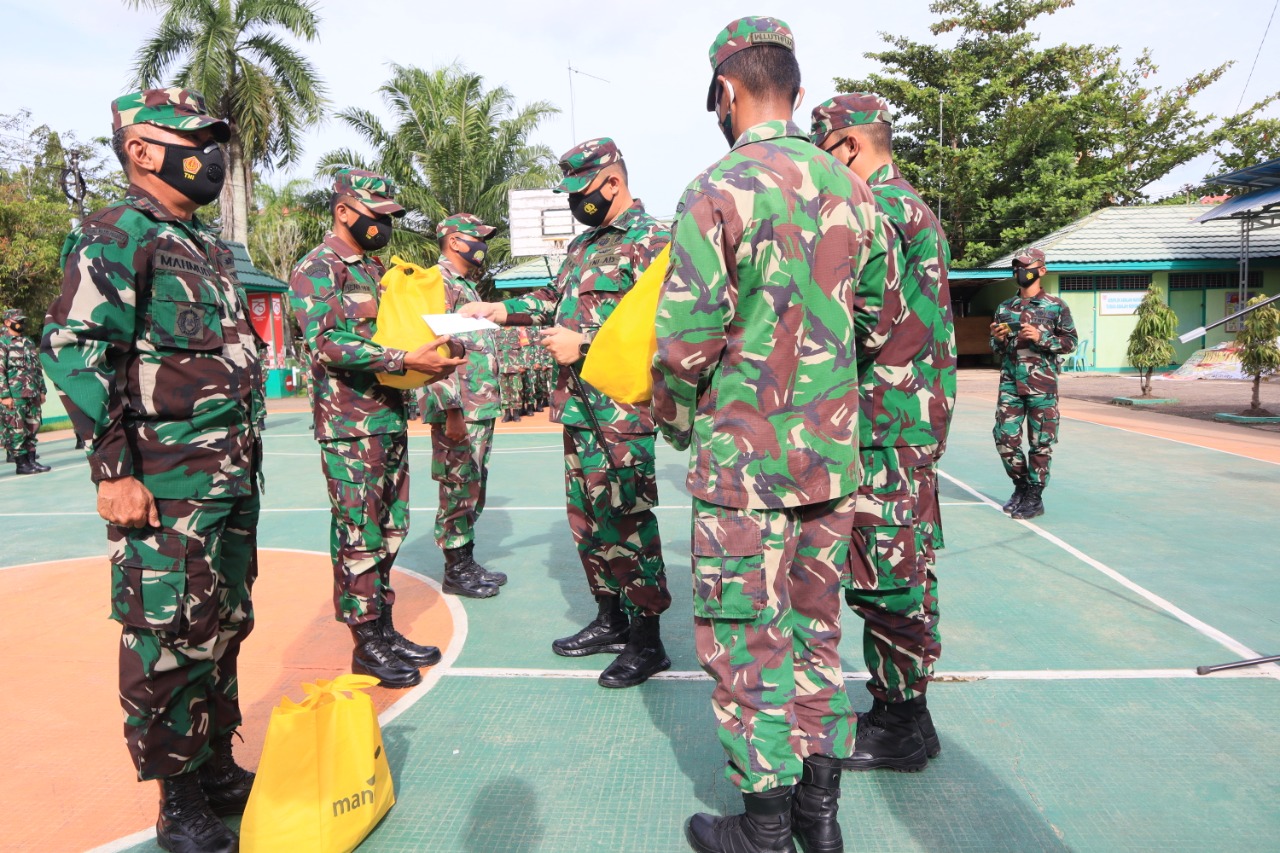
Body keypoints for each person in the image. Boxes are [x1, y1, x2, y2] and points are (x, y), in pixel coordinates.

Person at [653, 19, 895, 853]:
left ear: (726, 92)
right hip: (830, 461)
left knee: (748, 640)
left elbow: (684, 343)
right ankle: (818, 821)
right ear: (794, 84)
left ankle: (763, 831)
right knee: (819, 634)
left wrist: (677, 424)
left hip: (743, 473)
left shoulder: (715, 188)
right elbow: (878, 321)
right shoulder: (855, 190)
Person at [42, 88, 262, 853]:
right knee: (167, 634)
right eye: (195, 138)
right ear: (141, 148)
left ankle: (214, 764)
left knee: (224, 624)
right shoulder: (115, 233)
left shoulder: (202, 245)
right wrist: (113, 469)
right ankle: (178, 799)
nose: (212, 153)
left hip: (228, 481)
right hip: (164, 485)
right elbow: (75, 348)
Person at [461, 138, 673, 689]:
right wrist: (498, 309)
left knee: (626, 522)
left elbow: (664, 326)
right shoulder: (583, 247)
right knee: (586, 523)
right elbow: (550, 302)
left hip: (621, 413)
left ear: (612, 183)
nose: (577, 203)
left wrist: (586, 343)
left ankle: (647, 639)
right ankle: (611, 618)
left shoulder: (654, 242)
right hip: (579, 410)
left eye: (582, 192)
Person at [811, 93, 957, 772]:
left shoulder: (880, 211)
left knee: (884, 575)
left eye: (822, 154)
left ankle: (900, 721)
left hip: (880, 421)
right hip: (908, 419)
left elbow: (852, 318)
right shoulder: (916, 209)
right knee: (906, 567)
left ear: (845, 147)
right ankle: (912, 715)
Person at [289, 168, 466, 690]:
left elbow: (399, 328)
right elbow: (327, 342)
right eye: (377, 216)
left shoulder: (373, 270)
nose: (385, 227)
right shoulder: (318, 268)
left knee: (390, 530)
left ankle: (384, 629)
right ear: (344, 212)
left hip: (386, 418)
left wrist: (433, 351)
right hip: (348, 426)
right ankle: (366, 643)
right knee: (357, 535)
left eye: (390, 218)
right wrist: (399, 356)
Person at [420, 213, 506, 599]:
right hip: (461, 408)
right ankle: (456, 569)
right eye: (478, 237)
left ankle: (465, 560)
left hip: (478, 404)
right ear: (454, 241)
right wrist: (450, 409)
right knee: (457, 486)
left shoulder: (465, 285)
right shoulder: (437, 283)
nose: (483, 244)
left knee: (472, 486)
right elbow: (435, 350)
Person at [989, 247, 1077, 520]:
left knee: (1040, 443)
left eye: (1026, 266)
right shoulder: (1005, 307)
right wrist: (999, 339)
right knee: (1004, 439)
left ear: (1042, 270)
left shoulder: (1055, 306)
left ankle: (1035, 497)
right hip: (1010, 385)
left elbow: (1070, 343)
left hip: (1043, 385)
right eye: (1017, 266)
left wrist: (1042, 338)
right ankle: (1021, 486)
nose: (1020, 271)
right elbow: (996, 347)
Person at [1, 310, 50, 474]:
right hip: (15, 395)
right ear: (7, 322)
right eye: (18, 321)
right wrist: (5, 395)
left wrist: (42, 390)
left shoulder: (28, 342)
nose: (21, 324)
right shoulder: (3, 343)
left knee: (32, 428)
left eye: (22, 321)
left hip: (32, 393)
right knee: (17, 430)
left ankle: (31, 461)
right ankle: (21, 465)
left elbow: (36, 368)